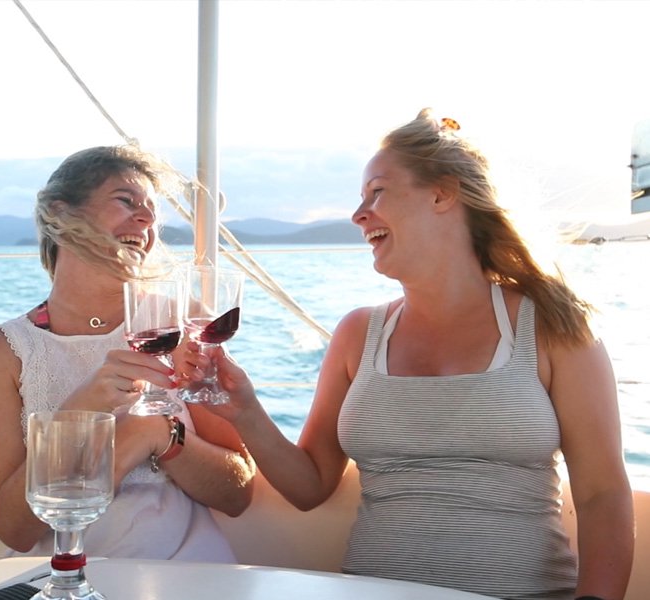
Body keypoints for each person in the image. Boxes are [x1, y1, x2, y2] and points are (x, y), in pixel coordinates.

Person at [195, 109, 634, 599]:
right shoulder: (359, 332)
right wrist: (246, 411)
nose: (359, 214)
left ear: (442, 193)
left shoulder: (550, 323)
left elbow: (602, 494)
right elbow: (310, 486)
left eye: (376, 192)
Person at [0, 145, 255, 562]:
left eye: (152, 210)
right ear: (60, 215)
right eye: (126, 200)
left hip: (185, 574)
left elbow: (238, 493)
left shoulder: (184, 325)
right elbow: (15, 529)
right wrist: (80, 413)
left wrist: (160, 435)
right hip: (56, 577)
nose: (148, 219)